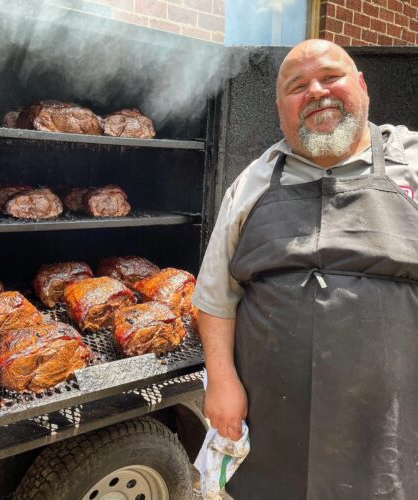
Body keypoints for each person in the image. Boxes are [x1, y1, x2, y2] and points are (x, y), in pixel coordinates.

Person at [192, 38, 418, 499]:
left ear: (362, 86)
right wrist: (221, 380)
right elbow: (215, 295)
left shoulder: (410, 165)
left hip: (391, 421)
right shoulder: (252, 183)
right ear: (281, 111)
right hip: (274, 425)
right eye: (298, 86)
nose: (316, 91)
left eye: (330, 77)